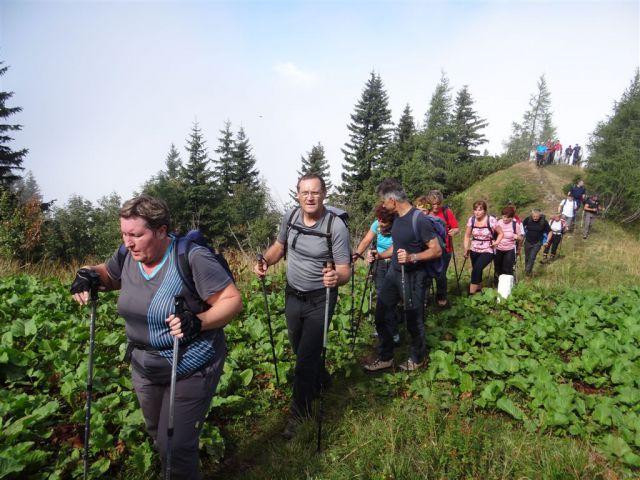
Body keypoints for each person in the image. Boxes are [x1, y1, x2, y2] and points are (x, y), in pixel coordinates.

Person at [70, 195, 242, 480]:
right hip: (144, 366)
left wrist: (198, 322)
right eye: (124, 234)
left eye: (137, 235)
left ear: (162, 231)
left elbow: (232, 300)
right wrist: (88, 275)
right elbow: (109, 275)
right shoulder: (128, 254)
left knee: (176, 445)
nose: (128, 241)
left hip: (190, 364)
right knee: (159, 435)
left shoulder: (191, 257)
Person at [254, 173, 351, 438]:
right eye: (305, 192)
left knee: (305, 361)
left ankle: (299, 415)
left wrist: (336, 278)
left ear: (324, 194)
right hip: (293, 296)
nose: (310, 197)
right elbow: (279, 247)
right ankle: (324, 380)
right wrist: (265, 261)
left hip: (321, 299)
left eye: (315, 192)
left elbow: (345, 270)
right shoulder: (291, 217)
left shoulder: (335, 227)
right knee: (299, 348)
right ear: (298, 194)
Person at [364, 179, 442, 373]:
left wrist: (412, 256)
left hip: (414, 277)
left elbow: (436, 250)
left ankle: (417, 358)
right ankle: (385, 357)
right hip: (393, 273)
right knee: (381, 314)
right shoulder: (397, 218)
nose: (382, 205)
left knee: (413, 320)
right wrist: (380, 255)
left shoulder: (419, 219)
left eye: (383, 201)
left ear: (392, 199)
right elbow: (397, 247)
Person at [352, 204, 398, 343]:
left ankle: (394, 331)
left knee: (392, 298)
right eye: (379, 220)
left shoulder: (398, 227)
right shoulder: (376, 224)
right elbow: (366, 240)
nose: (381, 224)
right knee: (381, 295)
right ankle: (382, 328)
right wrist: (357, 254)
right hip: (379, 264)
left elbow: (396, 247)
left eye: (384, 222)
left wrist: (380, 255)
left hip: (394, 263)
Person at [426, 190, 459, 307]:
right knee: (427, 274)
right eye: (433, 204)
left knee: (441, 275)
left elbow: (456, 227)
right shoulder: (426, 212)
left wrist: (453, 232)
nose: (435, 206)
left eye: (438, 203)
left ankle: (441, 297)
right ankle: (426, 297)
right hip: (428, 250)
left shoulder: (446, 212)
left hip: (445, 250)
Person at [463, 200, 503, 294]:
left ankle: (471, 295)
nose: (477, 212)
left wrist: (496, 242)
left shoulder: (491, 220)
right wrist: (466, 248)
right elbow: (467, 236)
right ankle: (479, 290)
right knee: (477, 270)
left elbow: (501, 233)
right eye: (475, 210)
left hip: (488, 249)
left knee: (476, 269)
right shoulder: (471, 220)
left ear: (485, 211)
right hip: (474, 249)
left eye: (480, 210)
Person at [493, 205, 523, 285]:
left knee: (507, 268)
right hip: (498, 249)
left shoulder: (515, 225)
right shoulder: (498, 223)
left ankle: (507, 286)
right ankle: (497, 285)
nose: (505, 219)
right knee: (497, 268)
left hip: (509, 249)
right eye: (504, 216)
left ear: (512, 217)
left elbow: (521, 238)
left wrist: (518, 240)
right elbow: (493, 234)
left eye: (508, 217)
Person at [522, 208, 551, 276]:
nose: (535, 218)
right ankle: (528, 271)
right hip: (528, 241)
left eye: (537, 216)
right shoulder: (528, 219)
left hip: (537, 242)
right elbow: (521, 227)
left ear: (540, 215)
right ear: (532, 215)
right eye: (534, 216)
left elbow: (550, 232)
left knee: (532, 257)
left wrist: (547, 241)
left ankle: (527, 272)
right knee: (527, 257)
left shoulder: (544, 222)